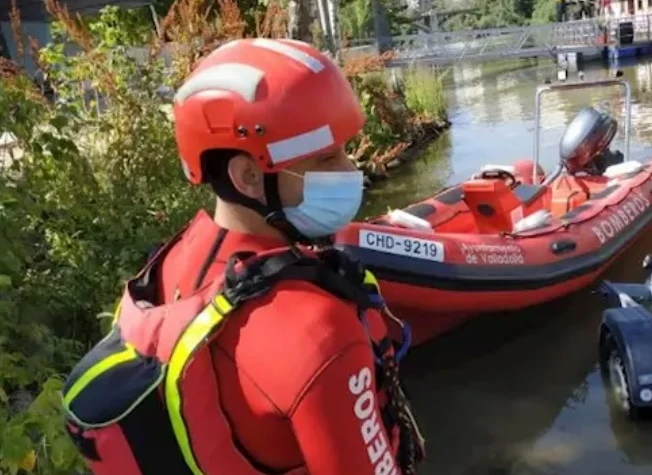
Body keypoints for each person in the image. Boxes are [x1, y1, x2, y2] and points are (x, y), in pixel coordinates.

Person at [60, 38, 425, 475]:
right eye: (328, 158)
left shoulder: (168, 264)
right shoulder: (321, 331)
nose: (351, 171)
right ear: (249, 176)